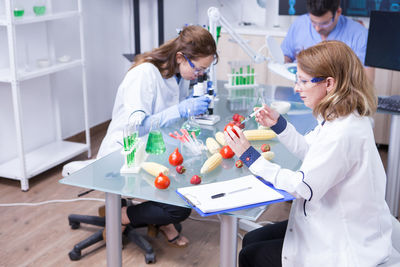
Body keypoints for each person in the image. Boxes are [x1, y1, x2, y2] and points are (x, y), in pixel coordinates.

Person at [225, 41, 392, 266]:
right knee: (252, 238)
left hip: (342, 242)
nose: (296, 88)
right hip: (324, 219)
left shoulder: (343, 133)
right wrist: (279, 125)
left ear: (329, 83)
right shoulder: (339, 117)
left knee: (249, 255)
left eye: (303, 81)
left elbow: (302, 187)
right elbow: (310, 151)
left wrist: (249, 156)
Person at [97, 25, 218, 247]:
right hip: (125, 153)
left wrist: (190, 108)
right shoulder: (143, 75)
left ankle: (158, 220)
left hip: (154, 149)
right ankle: (120, 216)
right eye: (199, 69)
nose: (199, 75)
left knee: (191, 183)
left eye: (204, 71)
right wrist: (181, 109)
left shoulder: (177, 75)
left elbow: (168, 118)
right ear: (181, 57)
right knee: (178, 208)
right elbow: (137, 127)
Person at [281, 0, 374, 81]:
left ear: (338, 12)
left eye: (324, 23)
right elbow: (286, 56)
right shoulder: (299, 24)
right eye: (313, 22)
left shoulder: (359, 34)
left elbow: (367, 80)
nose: (317, 28)